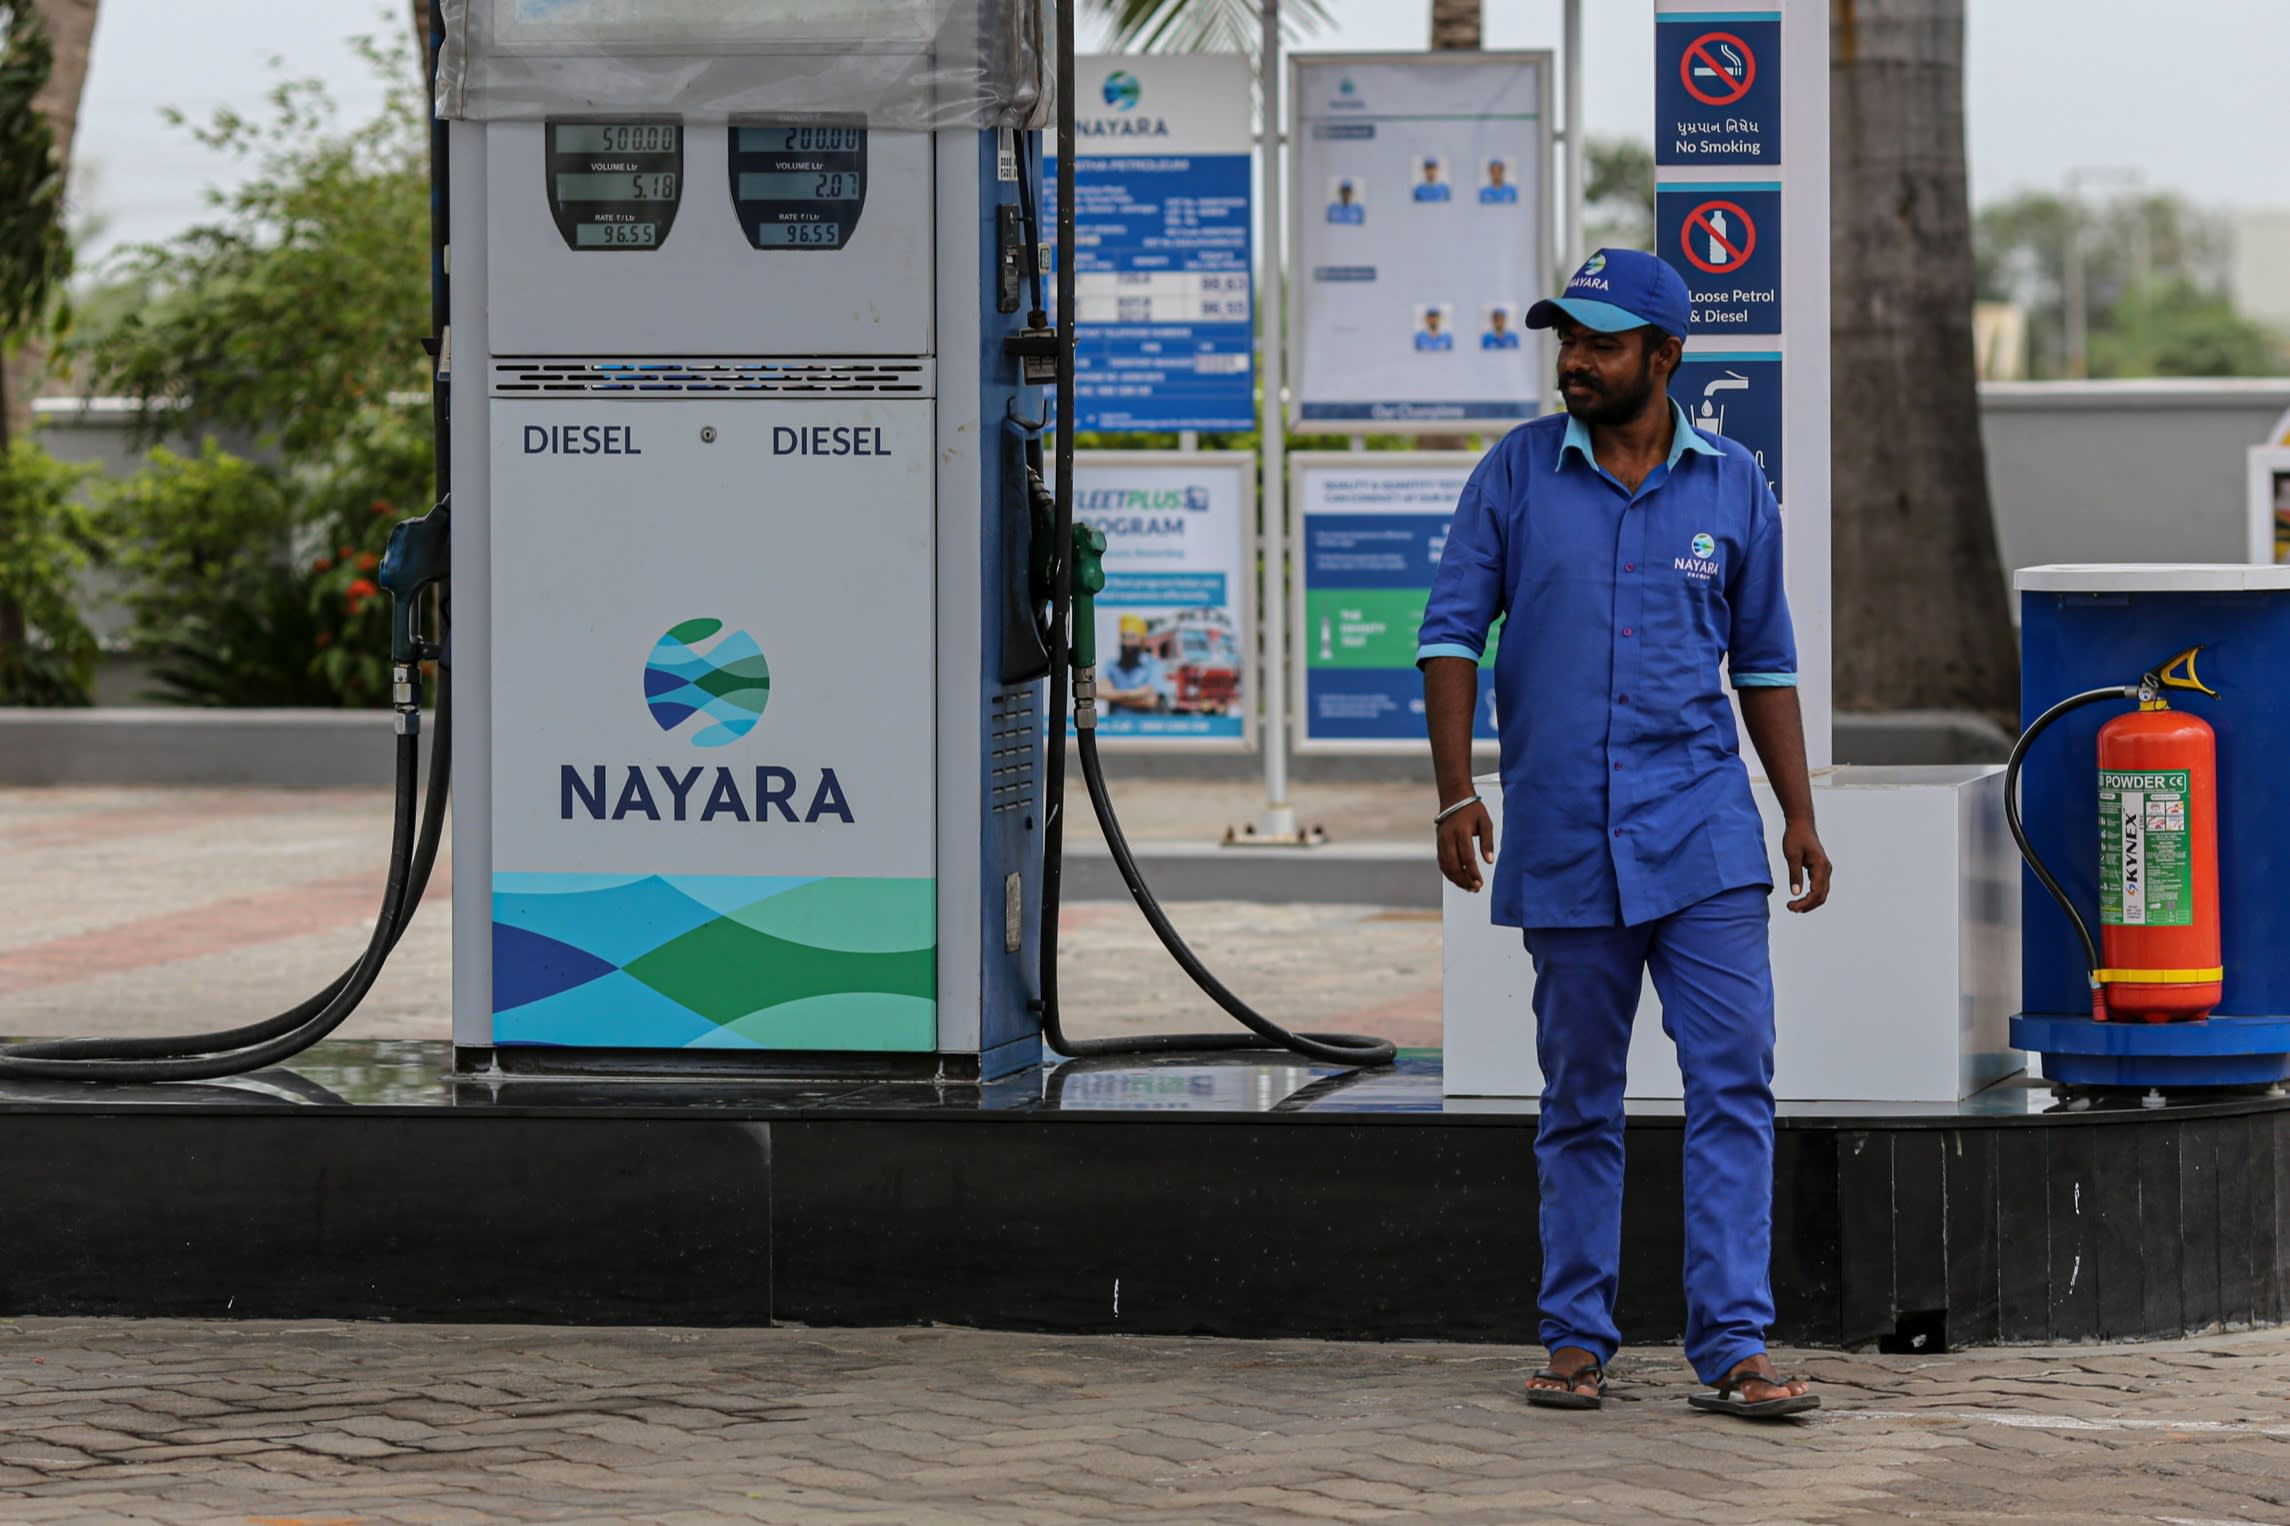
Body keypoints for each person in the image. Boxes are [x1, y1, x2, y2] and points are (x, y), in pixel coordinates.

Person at [1416, 247, 1833, 1422]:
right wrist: (1456, 791)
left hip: (1703, 837)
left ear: (1666, 355)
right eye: (1567, 340)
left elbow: (1763, 663)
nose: (1576, 362)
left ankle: (1735, 1345)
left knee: (1733, 1084)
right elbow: (1451, 638)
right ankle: (1574, 1339)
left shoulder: (1733, 485)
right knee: (1580, 1098)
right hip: (1561, 837)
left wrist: (1796, 813)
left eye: (1599, 342)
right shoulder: (1512, 476)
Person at [1100, 615, 1168, 713]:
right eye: (1124, 637)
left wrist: (1112, 695)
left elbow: (1150, 701)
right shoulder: (1111, 665)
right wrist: (1135, 693)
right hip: (1115, 725)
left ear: (1142, 641)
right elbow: (1097, 691)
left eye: (1132, 637)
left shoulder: (1154, 665)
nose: (1127, 642)